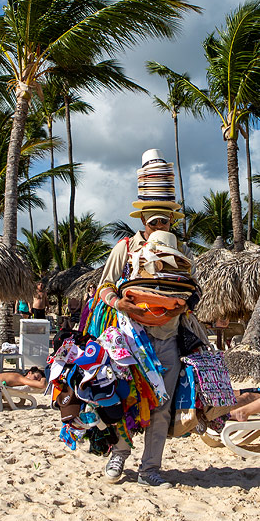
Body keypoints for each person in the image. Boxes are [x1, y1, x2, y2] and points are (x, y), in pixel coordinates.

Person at [102, 149, 194, 489]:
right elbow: (105, 287)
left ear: (172, 221)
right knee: (122, 397)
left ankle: (150, 468)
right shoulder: (124, 250)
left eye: (165, 220)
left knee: (162, 406)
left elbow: (190, 295)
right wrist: (121, 305)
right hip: (129, 336)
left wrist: (179, 307)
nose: (159, 225)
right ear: (143, 221)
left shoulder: (182, 256)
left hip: (169, 338)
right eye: (154, 220)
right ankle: (119, 453)